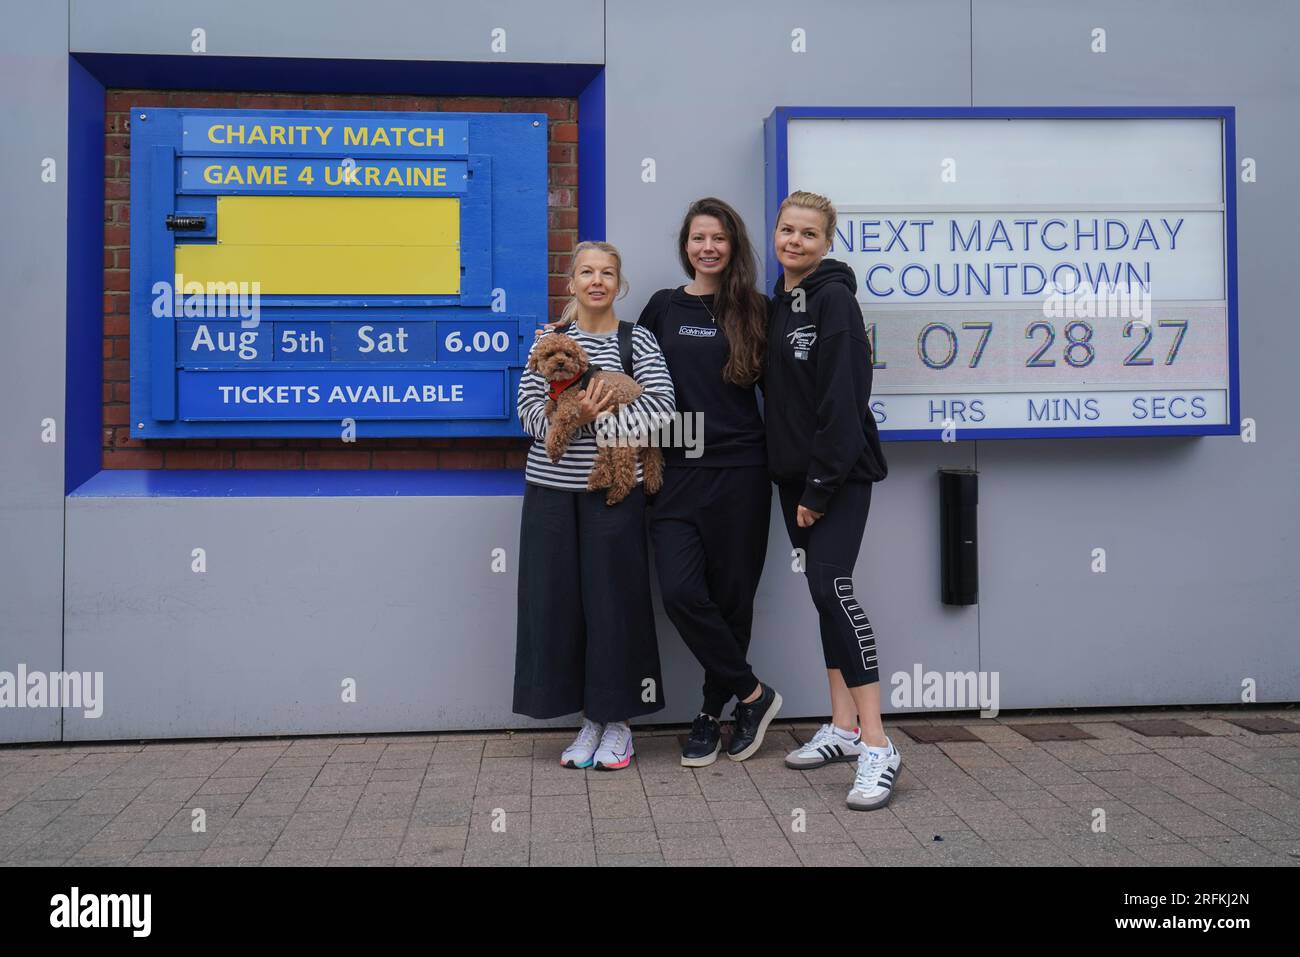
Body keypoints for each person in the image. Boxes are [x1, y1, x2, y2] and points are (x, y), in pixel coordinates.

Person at [513, 241, 676, 770]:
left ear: (619, 283)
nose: (597, 281)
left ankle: (619, 723)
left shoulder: (638, 340)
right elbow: (530, 418)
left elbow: (662, 409)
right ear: (572, 282)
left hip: (615, 492)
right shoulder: (550, 342)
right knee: (557, 605)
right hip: (550, 494)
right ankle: (588, 719)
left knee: (614, 604)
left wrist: (596, 416)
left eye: (607, 272)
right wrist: (572, 416)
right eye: (587, 272)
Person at [764, 190, 897, 810]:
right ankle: (842, 728)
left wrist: (819, 488)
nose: (795, 241)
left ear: (827, 242)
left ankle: (877, 743)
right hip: (796, 479)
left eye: (808, 234)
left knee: (835, 590)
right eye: (787, 230)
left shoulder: (835, 301)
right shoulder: (780, 305)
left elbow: (844, 403)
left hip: (837, 478)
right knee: (823, 595)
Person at [637, 198, 781, 766]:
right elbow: (624, 367)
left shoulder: (758, 310)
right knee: (680, 593)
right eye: (699, 238)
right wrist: (568, 331)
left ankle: (709, 714)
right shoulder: (663, 307)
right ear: (686, 246)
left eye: (718, 238)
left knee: (733, 601)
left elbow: (791, 391)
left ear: (733, 245)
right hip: (675, 472)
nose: (708, 247)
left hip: (743, 472)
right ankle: (754, 694)